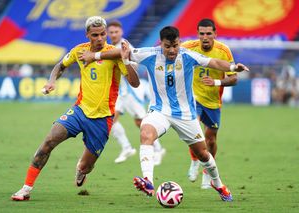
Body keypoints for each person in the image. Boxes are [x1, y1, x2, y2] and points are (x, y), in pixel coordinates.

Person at [80, 26, 248, 201]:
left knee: (203, 154)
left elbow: (213, 62)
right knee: (145, 133)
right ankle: (148, 181)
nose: (172, 50)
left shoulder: (188, 56)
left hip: (185, 115)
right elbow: (121, 52)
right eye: (167, 46)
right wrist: (95, 56)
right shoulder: (151, 54)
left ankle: (218, 183)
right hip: (159, 111)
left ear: (179, 42)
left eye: (175, 45)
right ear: (161, 44)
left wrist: (233, 66)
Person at [11, 16, 140, 201]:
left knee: (86, 166)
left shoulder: (114, 54)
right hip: (79, 111)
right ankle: (25, 188)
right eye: (95, 35)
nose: (100, 38)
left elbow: (134, 83)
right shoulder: (79, 51)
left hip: (103, 119)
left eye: (103, 34)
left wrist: (126, 61)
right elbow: (60, 65)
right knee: (48, 141)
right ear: (87, 34)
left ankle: (81, 170)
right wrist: (51, 81)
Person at [181, 18, 238, 189]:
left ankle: (207, 172)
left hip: (213, 101)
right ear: (197, 34)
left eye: (208, 33)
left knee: (211, 139)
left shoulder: (223, 50)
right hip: (193, 97)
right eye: (201, 33)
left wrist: (216, 82)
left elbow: (234, 78)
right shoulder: (188, 47)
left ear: (215, 34)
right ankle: (194, 161)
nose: (205, 37)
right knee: (194, 130)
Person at [107, 20, 166, 165]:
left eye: (116, 32)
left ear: (121, 32)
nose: (114, 34)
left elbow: (135, 63)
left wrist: (125, 63)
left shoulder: (124, 46)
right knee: (110, 120)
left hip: (130, 92)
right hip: (120, 92)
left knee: (141, 122)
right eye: (111, 32)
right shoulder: (109, 47)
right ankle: (126, 147)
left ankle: (158, 149)